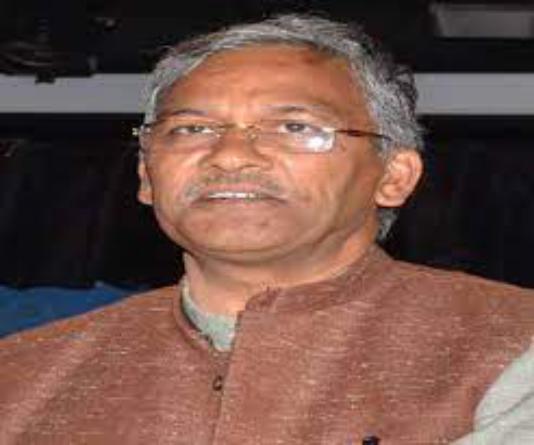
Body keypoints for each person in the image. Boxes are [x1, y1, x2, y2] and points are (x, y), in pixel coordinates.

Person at [1, 14, 534, 445]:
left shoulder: (508, 344)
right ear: (146, 175)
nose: (230, 155)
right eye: (192, 128)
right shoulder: (23, 373)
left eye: (294, 127)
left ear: (394, 176)